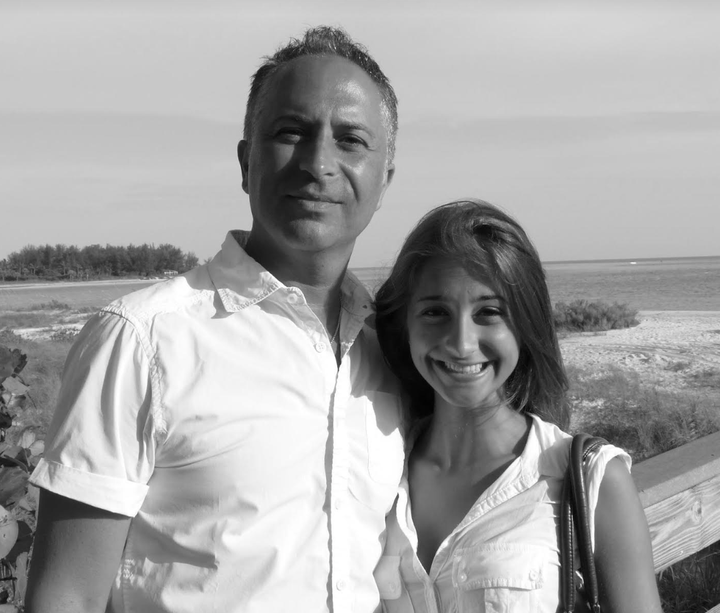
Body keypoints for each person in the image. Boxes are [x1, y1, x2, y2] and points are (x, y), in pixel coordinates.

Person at [26, 26, 405, 613]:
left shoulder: (394, 349)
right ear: (246, 160)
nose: (318, 163)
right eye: (290, 133)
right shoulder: (142, 338)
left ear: (385, 178)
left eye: (351, 140)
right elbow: (66, 595)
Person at [373, 200, 662, 612]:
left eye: (489, 312)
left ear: (525, 326)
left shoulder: (590, 478)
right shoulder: (377, 472)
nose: (461, 342)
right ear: (406, 326)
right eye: (435, 312)